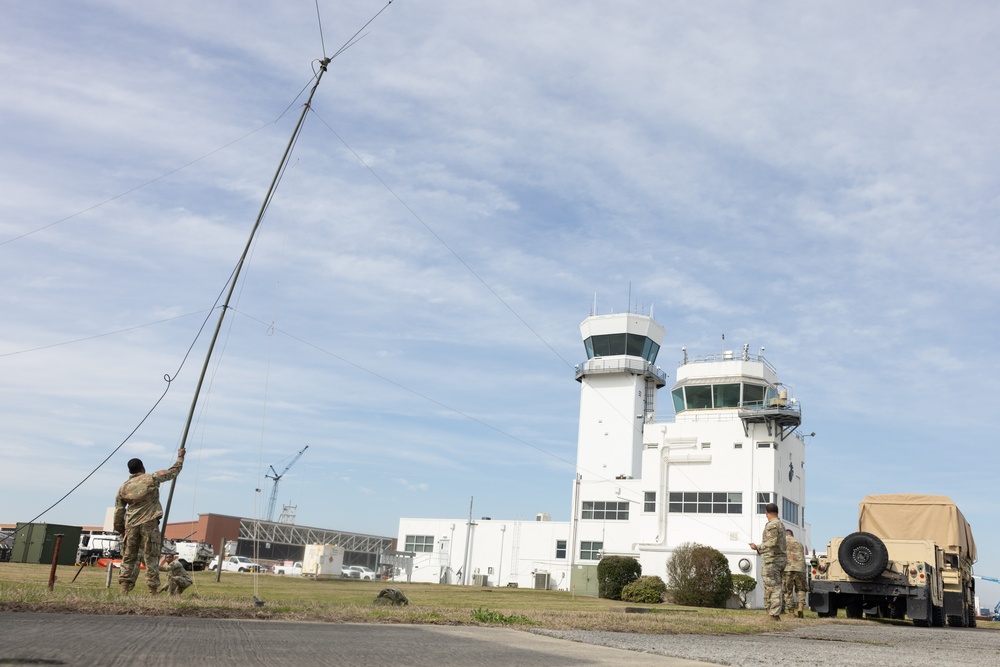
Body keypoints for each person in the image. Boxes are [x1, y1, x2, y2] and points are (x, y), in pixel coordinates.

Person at [113, 447, 185, 594]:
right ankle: (152, 590)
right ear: (142, 467)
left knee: (128, 558)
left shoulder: (123, 487)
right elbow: (173, 472)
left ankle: (124, 589)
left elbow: (119, 510)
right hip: (149, 523)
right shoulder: (151, 478)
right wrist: (180, 457)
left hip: (131, 525)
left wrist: (120, 529)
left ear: (130, 471)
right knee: (151, 557)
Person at [749, 502, 787, 620]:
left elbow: (772, 542)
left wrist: (758, 547)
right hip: (779, 560)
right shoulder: (781, 524)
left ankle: (774, 614)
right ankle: (771, 612)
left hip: (772, 560)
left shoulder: (772, 525)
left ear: (766, 513)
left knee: (773, 587)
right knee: (774, 586)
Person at [783, 528, 808, 618]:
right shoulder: (799, 543)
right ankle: (800, 607)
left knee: (787, 591)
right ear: (792, 535)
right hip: (800, 568)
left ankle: (791, 612)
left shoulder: (783, 542)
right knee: (801, 589)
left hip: (787, 568)